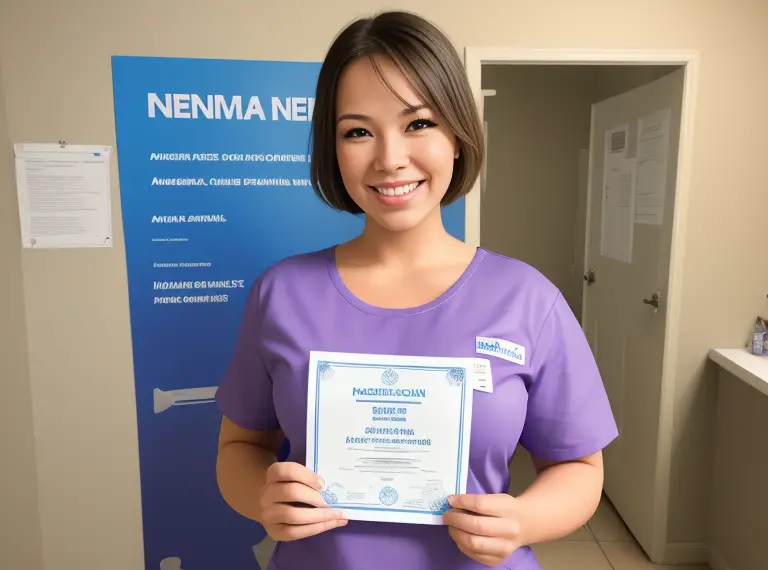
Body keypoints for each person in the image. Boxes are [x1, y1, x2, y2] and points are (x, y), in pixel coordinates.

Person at [215, 10, 618, 570]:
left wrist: (522, 520)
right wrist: (263, 499)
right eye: (358, 131)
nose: (389, 158)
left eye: (419, 123)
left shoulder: (527, 298)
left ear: (458, 134)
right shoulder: (281, 294)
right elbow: (239, 449)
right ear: (333, 149)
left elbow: (579, 469)